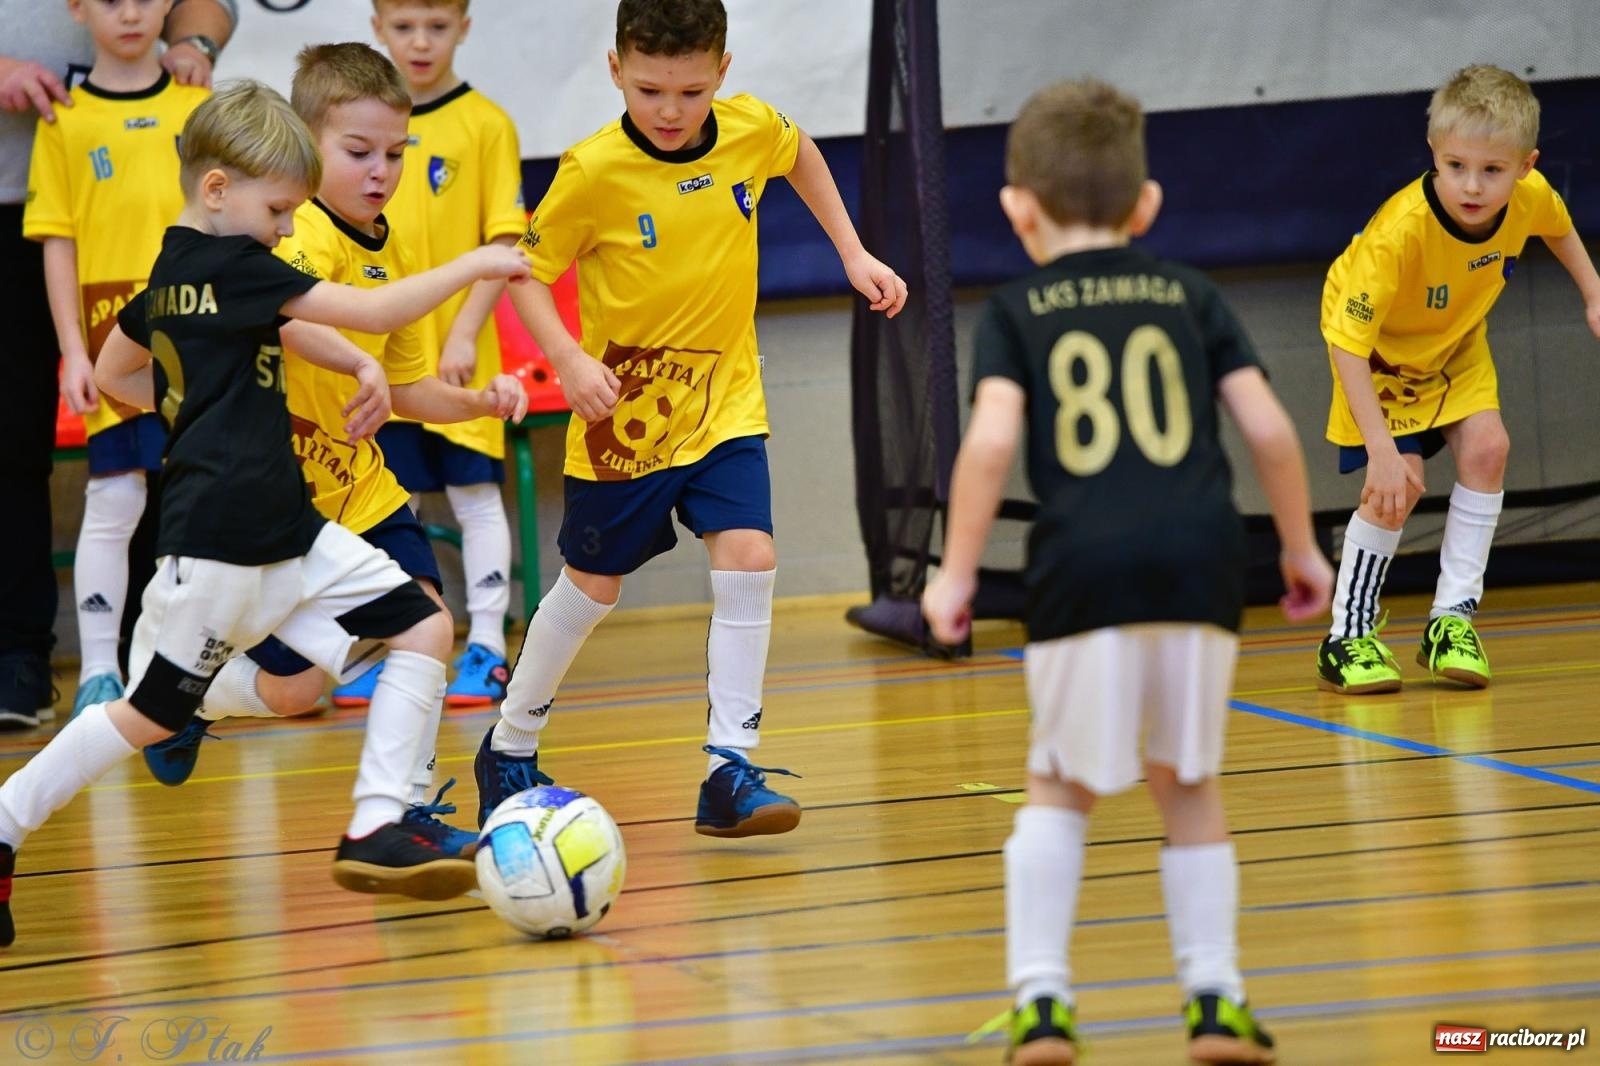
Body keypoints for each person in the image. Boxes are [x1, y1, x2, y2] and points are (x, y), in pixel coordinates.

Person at [0, 80, 532, 948]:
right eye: (280, 209)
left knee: (424, 629)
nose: (288, 227)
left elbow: (115, 372)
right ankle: (6, 819)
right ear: (219, 191)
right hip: (216, 542)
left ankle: (378, 822)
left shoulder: (173, 272)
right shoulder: (235, 263)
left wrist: (182, 402)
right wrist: (479, 262)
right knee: (147, 717)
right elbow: (366, 312)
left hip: (289, 531)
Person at [921, 79, 1332, 1065]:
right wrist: (1299, 546)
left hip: (1081, 572)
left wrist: (952, 573)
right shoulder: (1192, 293)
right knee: (1186, 782)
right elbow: (1269, 429)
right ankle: (1215, 999)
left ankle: (1044, 1003)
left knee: (1056, 783)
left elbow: (986, 448)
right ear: (1146, 208)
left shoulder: (1017, 312)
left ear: (1017, 209)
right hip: (1200, 563)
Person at [486, 0, 907, 835]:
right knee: (592, 585)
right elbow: (522, 272)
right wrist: (569, 361)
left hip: (726, 404)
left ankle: (729, 765)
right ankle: (510, 739)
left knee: (750, 552)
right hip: (624, 419)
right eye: (649, 91)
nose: (670, 111)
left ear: (721, 71)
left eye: (689, 90)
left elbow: (801, 154)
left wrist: (852, 251)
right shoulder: (592, 170)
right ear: (616, 72)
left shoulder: (749, 129)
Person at [139, 44, 527, 859]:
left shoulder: (392, 248)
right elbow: (296, 316)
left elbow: (408, 388)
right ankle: (197, 699)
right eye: (358, 153)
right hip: (289, 504)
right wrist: (353, 353)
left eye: (396, 154)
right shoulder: (284, 234)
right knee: (292, 692)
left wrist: (476, 401)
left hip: (365, 493)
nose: (380, 170)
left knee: (426, 618)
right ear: (308, 149)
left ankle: (402, 810)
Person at [1314, 65, 1600, 695]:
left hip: (1455, 348)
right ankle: (1347, 637)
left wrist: (1592, 291)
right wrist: (1383, 453)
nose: (1472, 185)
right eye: (1456, 166)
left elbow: (1557, 225)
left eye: (1492, 171)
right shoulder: (1398, 235)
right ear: (1433, 156)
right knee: (1399, 486)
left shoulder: (1531, 196)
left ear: (1525, 165)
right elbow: (1346, 346)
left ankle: (1451, 621)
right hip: (1378, 360)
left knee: (1490, 447)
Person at [0, 0, 236, 731]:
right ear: (76, 8)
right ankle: (95, 669)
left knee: (197, 495)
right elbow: (58, 240)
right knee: (112, 497)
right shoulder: (64, 124)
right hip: (106, 337)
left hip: (189, 330)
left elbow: (229, 219)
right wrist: (75, 348)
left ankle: (188, 665)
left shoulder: (197, 111)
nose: (130, 13)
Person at [373, 0, 527, 707]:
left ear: (463, 26)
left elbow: (504, 241)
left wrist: (464, 332)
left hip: (463, 354)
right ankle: (397, 644)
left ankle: (489, 646)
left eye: (437, 26)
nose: (421, 42)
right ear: (378, 28)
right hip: (385, 359)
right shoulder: (369, 127)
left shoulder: (487, 123)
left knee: (473, 496)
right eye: (404, 27)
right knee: (392, 502)